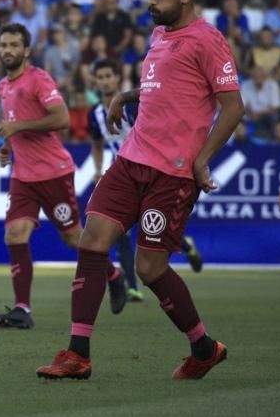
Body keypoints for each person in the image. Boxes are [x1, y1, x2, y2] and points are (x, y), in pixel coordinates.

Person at [37, 0, 244, 381]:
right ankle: (78, 354)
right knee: (93, 240)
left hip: (173, 173)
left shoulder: (208, 40)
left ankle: (203, 348)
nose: (152, 1)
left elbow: (233, 106)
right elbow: (164, 85)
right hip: (131, 160)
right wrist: (125, 95)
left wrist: (202, 159)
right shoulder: (159, 36)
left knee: (150, 269)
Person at [0, 23, 127, 330]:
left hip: (54, 173)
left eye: (14, 44)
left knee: (72, 238)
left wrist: (19, 128)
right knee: (14, 234)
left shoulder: (38, 79)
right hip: (23, 176)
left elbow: (62, 118)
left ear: (26, 50)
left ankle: (113, 275)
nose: (8, 50)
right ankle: (22, 309)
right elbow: (13, 123)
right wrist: (6, 146)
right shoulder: (3, 86)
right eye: (4, 45)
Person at [88, 59, 206, 303]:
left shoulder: (134, 105)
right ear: (95, 81)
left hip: (151, 168)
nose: (105, 81)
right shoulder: (95, 114)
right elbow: (97, 144)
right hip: (122, 169)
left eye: (108, 75)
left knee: (149, 223)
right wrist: (98, 169)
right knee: (121, 230)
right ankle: (132, 287)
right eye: (99, 77)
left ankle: (185, 244)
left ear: (117, 78)